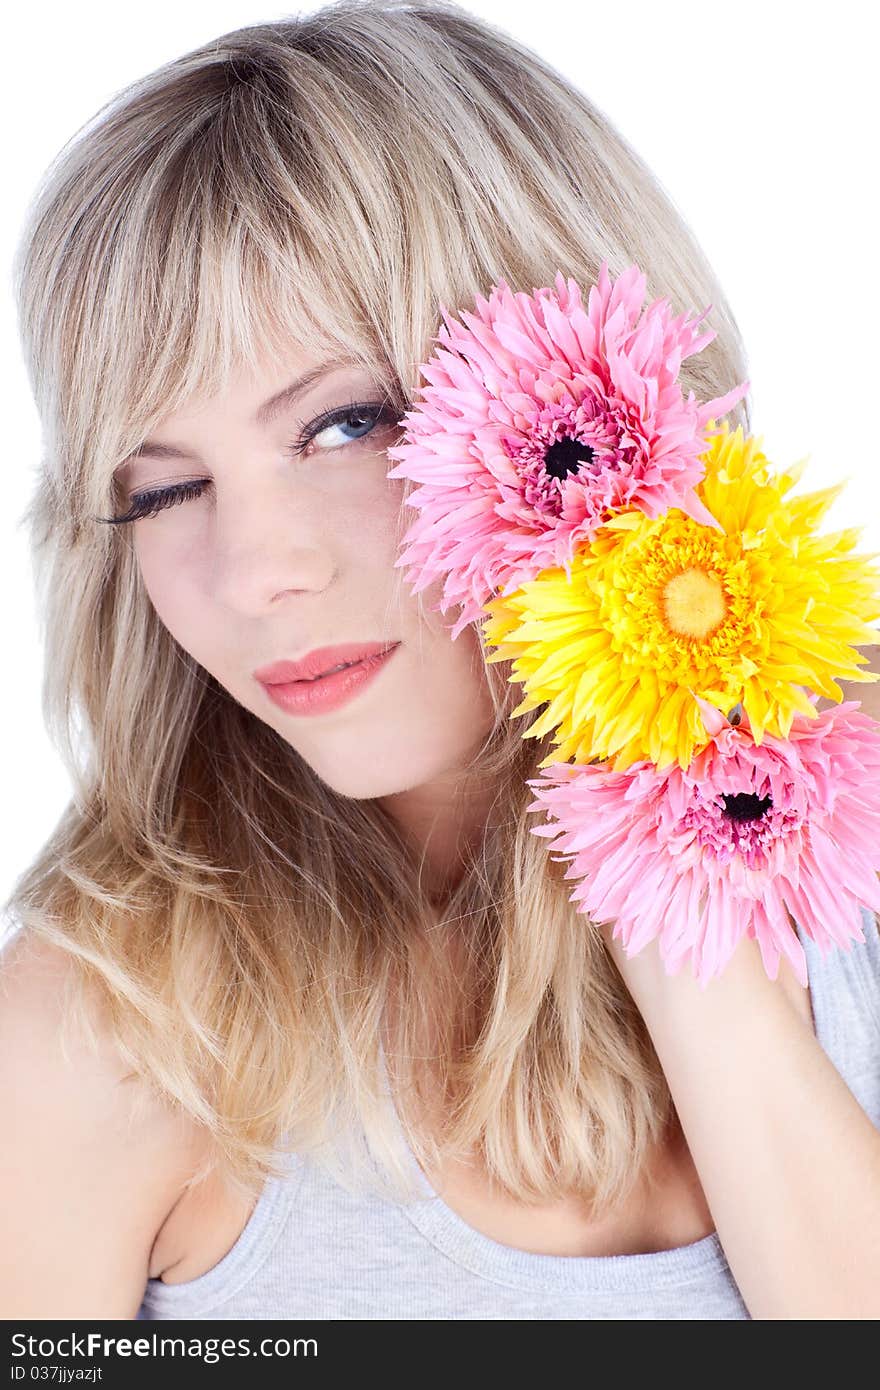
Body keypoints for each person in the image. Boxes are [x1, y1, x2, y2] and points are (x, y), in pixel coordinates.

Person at [3, 0, 879, 1322]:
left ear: (589, 410)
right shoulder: (105, 1040)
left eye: (346, 423)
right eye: (164, 489)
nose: (254, 571)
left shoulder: (846, 852)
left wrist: (678, 897)